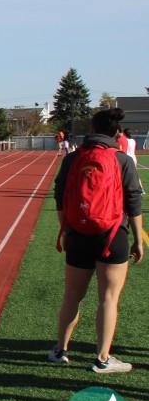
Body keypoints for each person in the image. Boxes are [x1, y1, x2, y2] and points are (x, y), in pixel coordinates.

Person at [49, 108, 144, 373]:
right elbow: (133, 202)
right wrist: (138, 240)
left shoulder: (72, 158)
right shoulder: (122, 159)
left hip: (78, 233)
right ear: (116, 133)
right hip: (113, 235)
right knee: (108, 298)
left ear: (91, 129)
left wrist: (65, 229)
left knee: (72, 295)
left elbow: (60, 196)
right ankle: (102, 358)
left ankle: (60, 350)